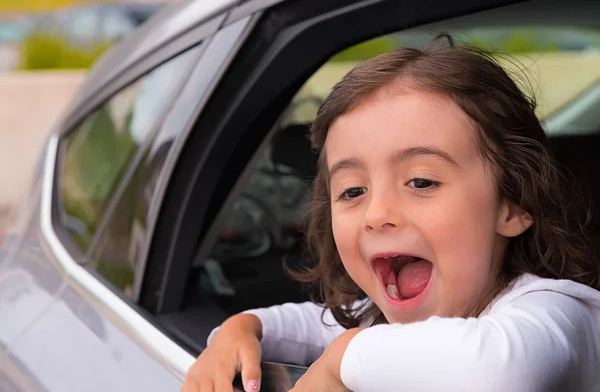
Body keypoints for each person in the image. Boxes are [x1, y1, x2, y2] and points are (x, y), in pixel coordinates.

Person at [181, 36, 600, 392]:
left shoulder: (558, 312)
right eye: (353, 191)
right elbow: (302, 325)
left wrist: (340, 359)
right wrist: (240, 329)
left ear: (513, 202)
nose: (376, 214)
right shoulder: (375, 317)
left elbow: (500, 369)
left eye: (420, 182)